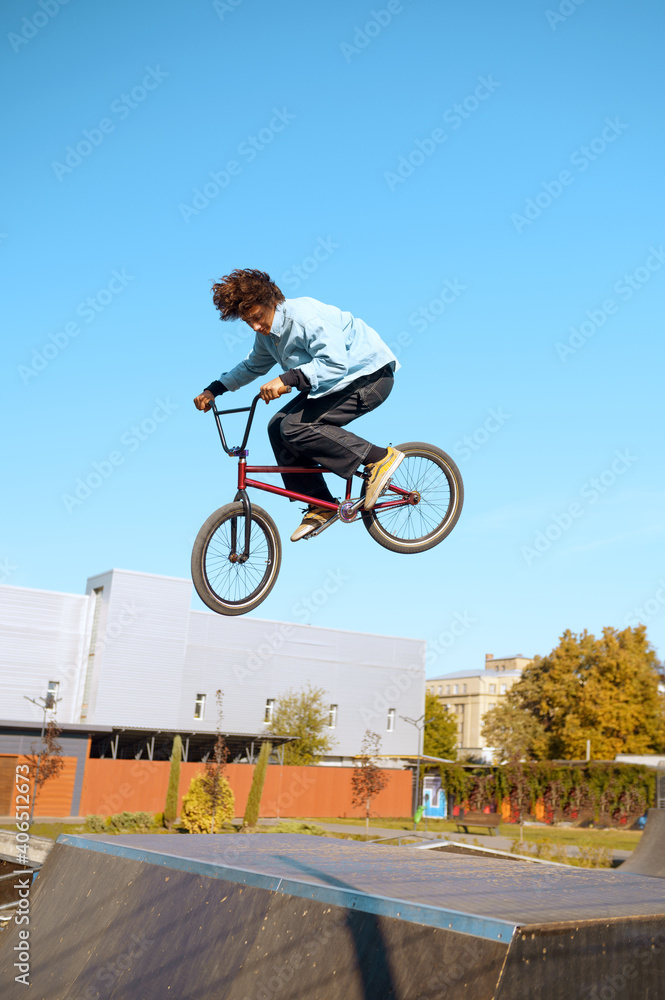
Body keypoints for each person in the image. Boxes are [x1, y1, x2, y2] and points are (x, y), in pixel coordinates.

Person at [193, 268, 403, 541]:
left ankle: (379, 458)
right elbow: (252, 366)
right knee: (276, 425)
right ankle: (318, 503)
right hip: (335, 385)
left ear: (271, 301)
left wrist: (287, 379)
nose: (255, 326)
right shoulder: (267, 336)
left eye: (257, 317)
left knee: (293, 426)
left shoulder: (304, 317)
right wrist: (214, 390)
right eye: (248, 321)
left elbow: (335, 363)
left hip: (370, 377)